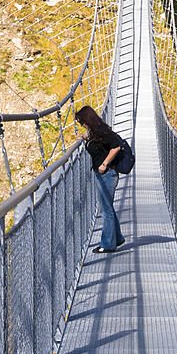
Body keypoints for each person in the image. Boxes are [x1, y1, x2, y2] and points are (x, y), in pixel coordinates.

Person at [75, 105, 125, 253]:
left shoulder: (102, 131)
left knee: (106, 209)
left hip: (107, 174)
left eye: (82, 122)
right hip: (102, 174)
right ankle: (118, 237)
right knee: (106, 207)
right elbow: (98, 145)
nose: (81, 125)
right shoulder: (95, 131)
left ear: (88, 120)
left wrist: (104, 164)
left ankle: (108, 245)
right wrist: (86, 137)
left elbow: (116, 146)